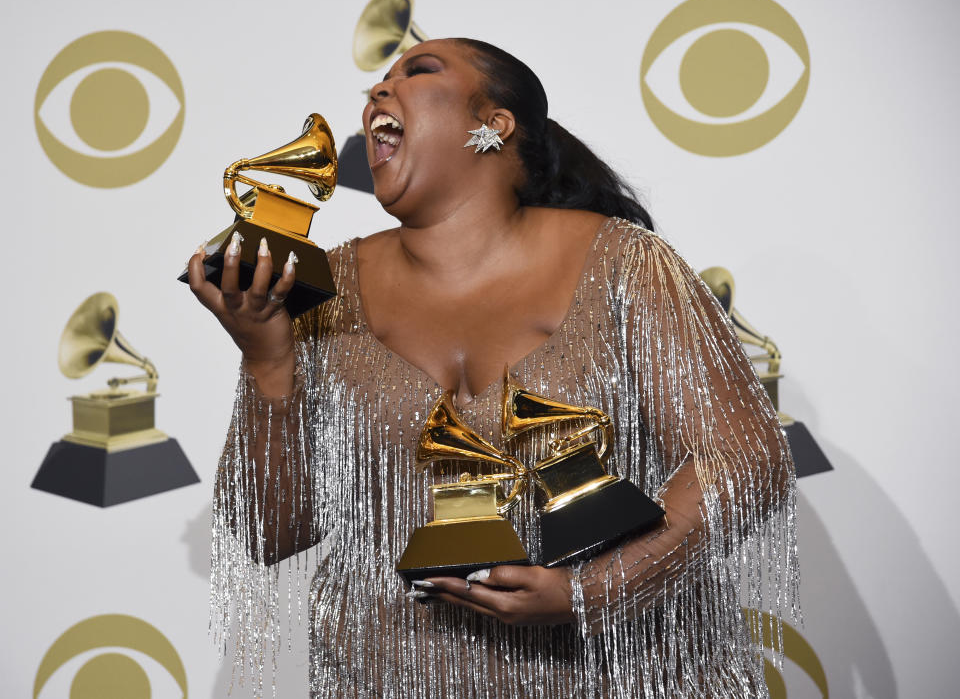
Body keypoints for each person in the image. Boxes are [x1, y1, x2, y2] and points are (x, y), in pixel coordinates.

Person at [188, 38, 798, 698]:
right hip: (384, 677)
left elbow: (744, 458)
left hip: (630, 678)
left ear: (496, 123)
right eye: (376, 83)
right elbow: (268, 532)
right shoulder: (326, 289)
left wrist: (592, 592)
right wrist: (266, 356)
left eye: (418, 72)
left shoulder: (627, 262)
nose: (377, 94)